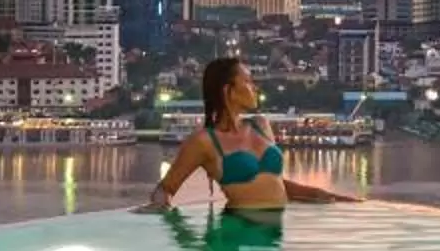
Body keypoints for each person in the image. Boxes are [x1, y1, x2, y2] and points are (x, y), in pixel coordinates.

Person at [144, 55, 361, 215]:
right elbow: (166, 188)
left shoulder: (260, 125)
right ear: (228, 91)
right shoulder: (204, 141)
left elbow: (274, 183)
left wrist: (325, 196)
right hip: (235, 236)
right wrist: (166, 218)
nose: (255, 88)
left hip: (271, 242)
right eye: (248, 82)